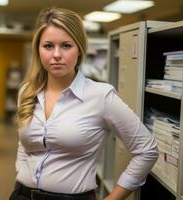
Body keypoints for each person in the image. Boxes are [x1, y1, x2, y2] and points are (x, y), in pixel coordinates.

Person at [9, 7, 158, 200]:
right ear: (38, 49)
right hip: (22, 195)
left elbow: (147, 150)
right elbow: (24, 143)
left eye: (66, 46)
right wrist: (21, 170)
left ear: (79, 49)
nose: (56, 54)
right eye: (48, 46)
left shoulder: (100, 96)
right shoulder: (27, 91)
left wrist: (114, 198)